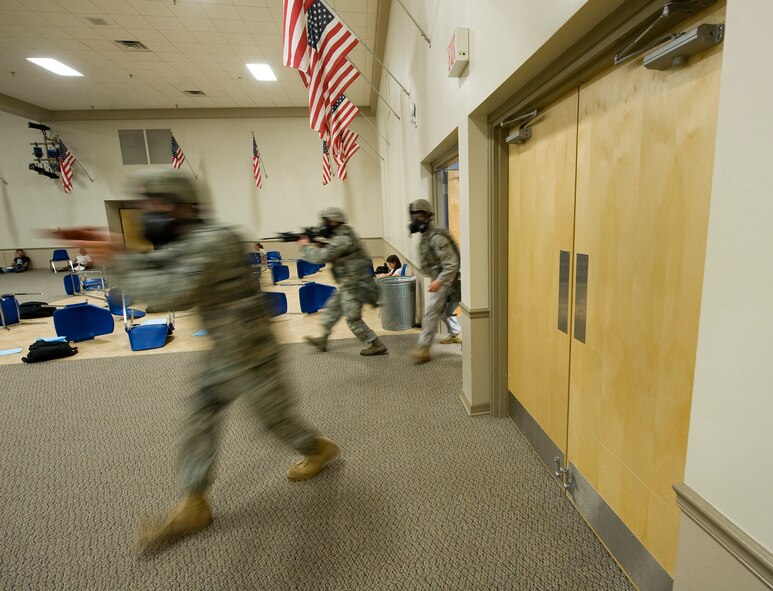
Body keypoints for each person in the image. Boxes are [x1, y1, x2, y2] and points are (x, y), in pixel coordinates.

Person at [56, 170, 339, 553]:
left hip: (252, 352)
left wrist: (117, 258)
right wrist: (116, 249)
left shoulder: (216, 241)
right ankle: (194, 503)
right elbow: (160, 269)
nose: (149, 214)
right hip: (226, 349)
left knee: (275, 421)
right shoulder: (188, 242)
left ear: (185, 208)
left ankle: (317, 449)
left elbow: (173, 291)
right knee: (200, 411)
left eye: (157, 205)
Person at [299, 207, 387, 356]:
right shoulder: (342, 233)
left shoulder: (343, 238)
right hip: (349, 284)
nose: (323, 225)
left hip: (357, 286)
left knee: (352, 318)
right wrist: (320, 243)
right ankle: (323, 339)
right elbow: (336, 250)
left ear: (333, 222)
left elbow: (321, 257)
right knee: (331, 310)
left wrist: (305, 247)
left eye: (325, 222)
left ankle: (375, 343)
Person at [408, 199, 462, 364]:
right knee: (443, 312)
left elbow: (451, 263)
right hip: (444, 279)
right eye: (413, 216)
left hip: (449, 280)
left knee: (431, 312)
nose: (414, 220)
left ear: (427, 216)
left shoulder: (437, 236)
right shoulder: (426, 235)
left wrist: (439, 281)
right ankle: (454, 334)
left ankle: (423, 349)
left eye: (417, 216)